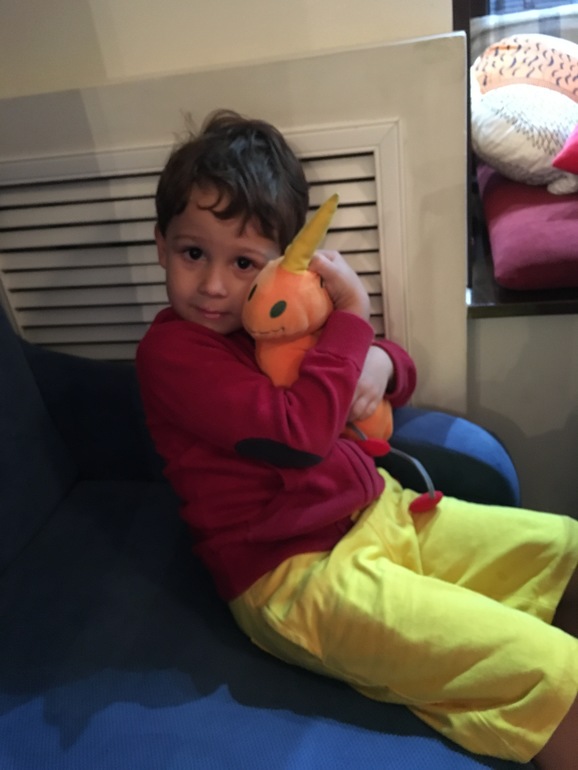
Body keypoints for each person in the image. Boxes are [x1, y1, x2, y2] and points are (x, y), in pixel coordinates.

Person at [136, 109, 578, 769]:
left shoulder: (275, 321)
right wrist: (353, 317)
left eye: (244, 262)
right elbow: (298, 435)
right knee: (552, 669)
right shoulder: (173, 354)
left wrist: (382, 363)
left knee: (565, 548)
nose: (215, 285)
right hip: (296, 575)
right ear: (161, 245)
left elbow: (380, 381)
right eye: (192, 253)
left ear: (283, 265)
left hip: (382, 512)